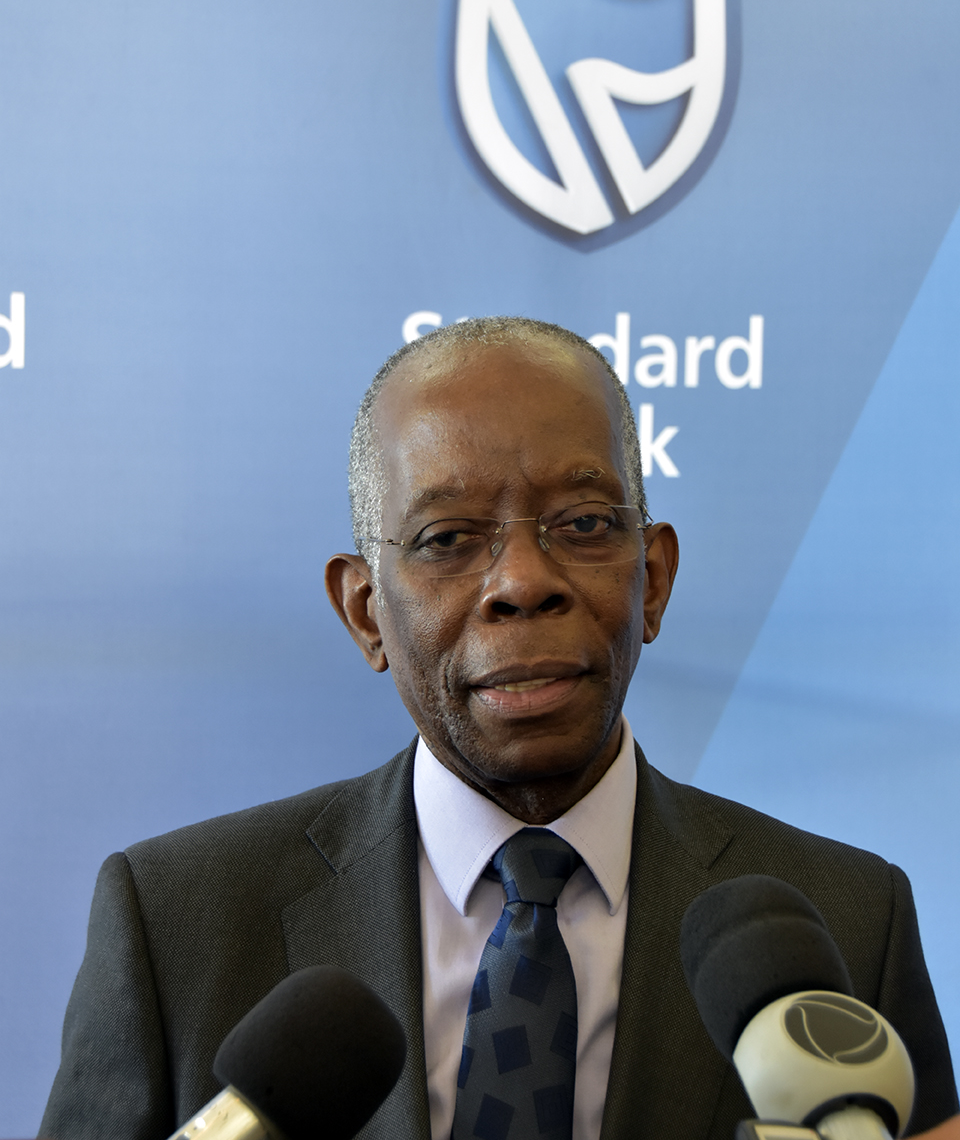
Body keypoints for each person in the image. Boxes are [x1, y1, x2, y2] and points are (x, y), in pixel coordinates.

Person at [41, 318, 957, 1140]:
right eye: (447, 539)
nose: (522, 581)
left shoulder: (849, 924)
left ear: (653, 580)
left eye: (584, 523)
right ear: (364, 612)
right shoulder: (176, 924)